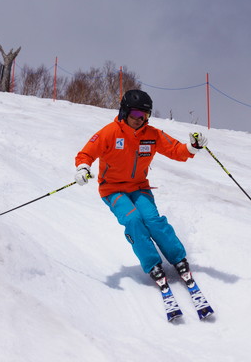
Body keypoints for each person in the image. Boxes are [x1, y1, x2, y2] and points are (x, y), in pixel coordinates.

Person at [74, 89, 208, 290]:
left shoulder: (152, 135)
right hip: (112, 189)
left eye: (144, 115)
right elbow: (86, 153)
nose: (139, 119)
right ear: (124, 112)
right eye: (135, 114)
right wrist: (83, 168)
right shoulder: (109, 133)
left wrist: (192, 147)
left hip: (139, 187)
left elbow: (175, 150)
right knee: (133, 220)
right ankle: (153, 264)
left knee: (153, 220)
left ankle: (178, 259)